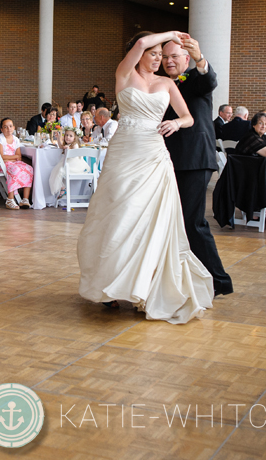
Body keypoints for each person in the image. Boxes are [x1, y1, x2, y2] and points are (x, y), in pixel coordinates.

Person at [78, 30, 214, 324]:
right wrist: (169, 34)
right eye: (155, 54)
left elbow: (189, 116)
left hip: (155, 156)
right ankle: (109, 284)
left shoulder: (167, 84)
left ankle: (147, 286)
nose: (159, 60)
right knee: (119, 216)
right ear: (141, 54)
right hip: (124, 154)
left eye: (162, 56)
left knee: (153, 221)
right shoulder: (124, 75)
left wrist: (176, 123)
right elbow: (140, 42)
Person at [159, 33, 232, 298]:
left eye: (174, 56)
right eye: (165, 57)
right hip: (165, 160)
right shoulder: (159, 84)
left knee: (193, 222)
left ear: (186, 58)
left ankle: (219, 281)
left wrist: (201, 58)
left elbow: (209, 80)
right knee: (169, 222)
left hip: (194, 159)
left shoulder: (195, 79)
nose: (168, 61)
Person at [0, 118, 33, 210]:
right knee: (14, 169)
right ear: (1, 129)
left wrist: (12, 158)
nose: (8, 129)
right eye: (5, 127)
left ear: (14, 128)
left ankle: (25, 199)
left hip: (11, 162)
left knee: (29, 168)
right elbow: (1, 157)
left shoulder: (16, 139)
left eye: (10, 126)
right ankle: (10, 199)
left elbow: (19, 156)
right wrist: (13, 157)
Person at [49, 128, 91, 199]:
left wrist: (69, 149)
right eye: (66, 135)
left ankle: (63, 189)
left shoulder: (75, 144)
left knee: (60, 171)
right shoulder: (68, 144)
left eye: (70, 136)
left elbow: (74, 153)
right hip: (69, 164)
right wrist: (59, 138)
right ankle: (63, 188)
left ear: (75, 138)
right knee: (58, 170)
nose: (68, 137)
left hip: (76, 165)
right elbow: (61, 146)